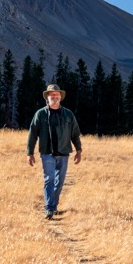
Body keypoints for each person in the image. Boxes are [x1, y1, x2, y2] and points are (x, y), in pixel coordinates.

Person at [27, 84, 82, 219]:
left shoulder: (68, 114)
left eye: (57, 94)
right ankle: (49, 208)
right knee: (49, 179)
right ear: (48, 97)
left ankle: (54, 204)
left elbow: (75, 134)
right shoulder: (40, 114)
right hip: (47, 153)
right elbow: (32, 133)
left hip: (63, 153)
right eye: (52, 94)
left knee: (60, 181)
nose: (54, 97)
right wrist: (30, 153)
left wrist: (78, 150)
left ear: (60, 97)